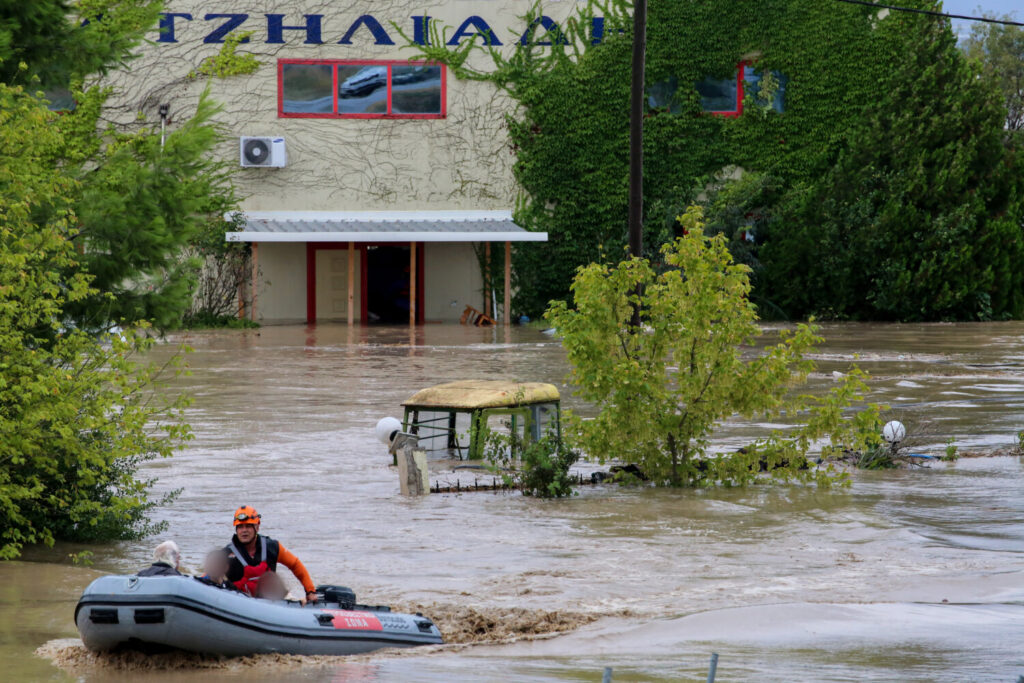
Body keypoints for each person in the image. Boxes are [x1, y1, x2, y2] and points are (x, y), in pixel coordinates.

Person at [225, 505, 317, 602]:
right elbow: (209, 576)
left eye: (248, 526)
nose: (244, 530)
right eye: (240, 527)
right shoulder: (227, 554)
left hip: (271, 602)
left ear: (257, 527)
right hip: (240, 603)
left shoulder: (272, 547)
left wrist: (310, 591)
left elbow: (295, 564)